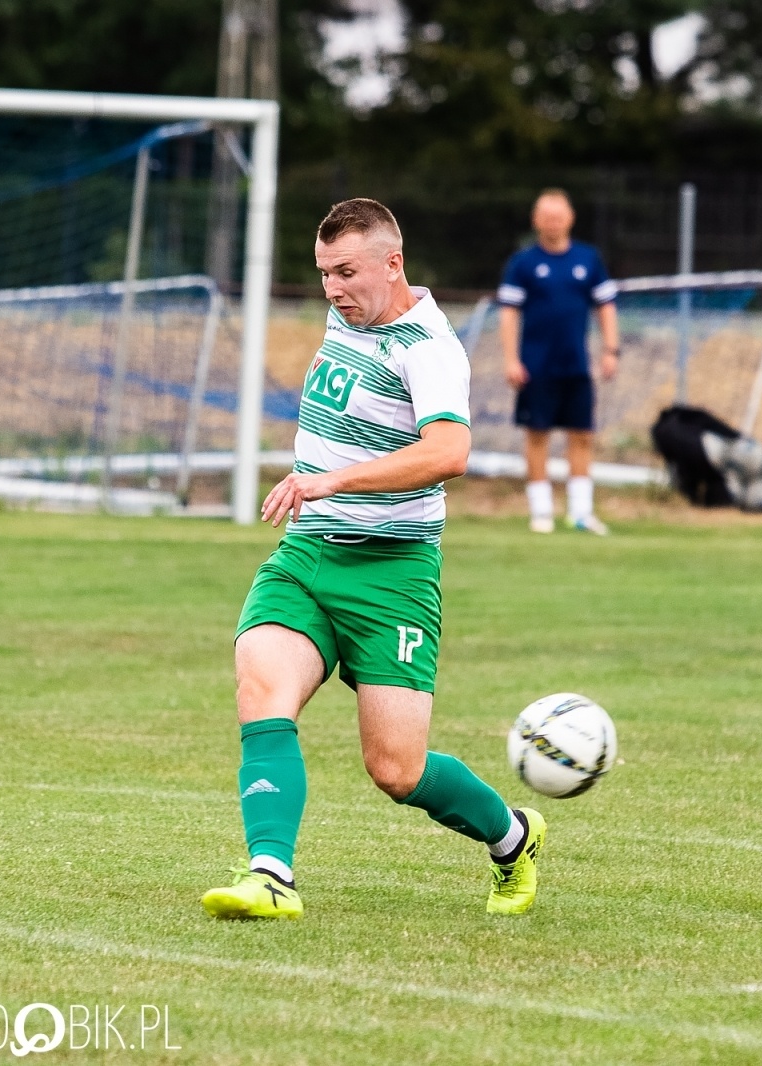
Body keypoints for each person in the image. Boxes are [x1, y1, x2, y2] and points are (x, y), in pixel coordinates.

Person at [202, 199, 545, 921]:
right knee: (262, 691)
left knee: (396, 770)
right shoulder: (350, 314)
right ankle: (270, 875)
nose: (332, 289)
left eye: (347, 272)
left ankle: (512, 837)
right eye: (324, 273)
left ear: (394, 264)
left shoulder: (429, 347)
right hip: (306, 556)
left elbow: (449, 452)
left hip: (394, 575)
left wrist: (332, 480)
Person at [497, 188, 621, 535]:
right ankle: (542, 512)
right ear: (536, 221)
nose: (553, 223)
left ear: (570, 218)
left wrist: (611, 350)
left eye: (558, 216)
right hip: (536, 367)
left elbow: (606, 305)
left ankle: (581, 512)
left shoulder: (588, 259)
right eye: (546, 217)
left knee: (582, 435)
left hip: (576, 365)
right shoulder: (523, 263)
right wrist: (511, 359)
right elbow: (508, 314)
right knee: (537, 436)